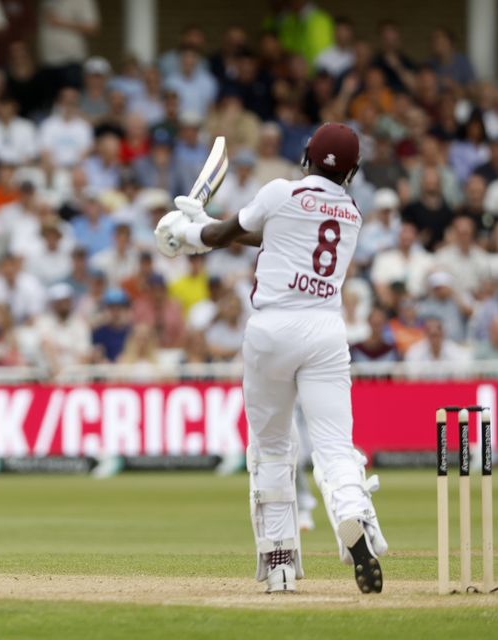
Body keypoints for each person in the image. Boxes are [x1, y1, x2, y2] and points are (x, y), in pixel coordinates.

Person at [155, 123, 387, 594]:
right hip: (325, 332)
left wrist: (188, 229)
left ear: (305, 157)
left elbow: (227, 234)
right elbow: (272, 237)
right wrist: (200, 229)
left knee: (272, 447)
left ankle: (279, 563)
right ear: (353, 172)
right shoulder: (352, 215)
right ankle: (352, 516)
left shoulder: (281, 191)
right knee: (335, 447)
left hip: (272, 330)